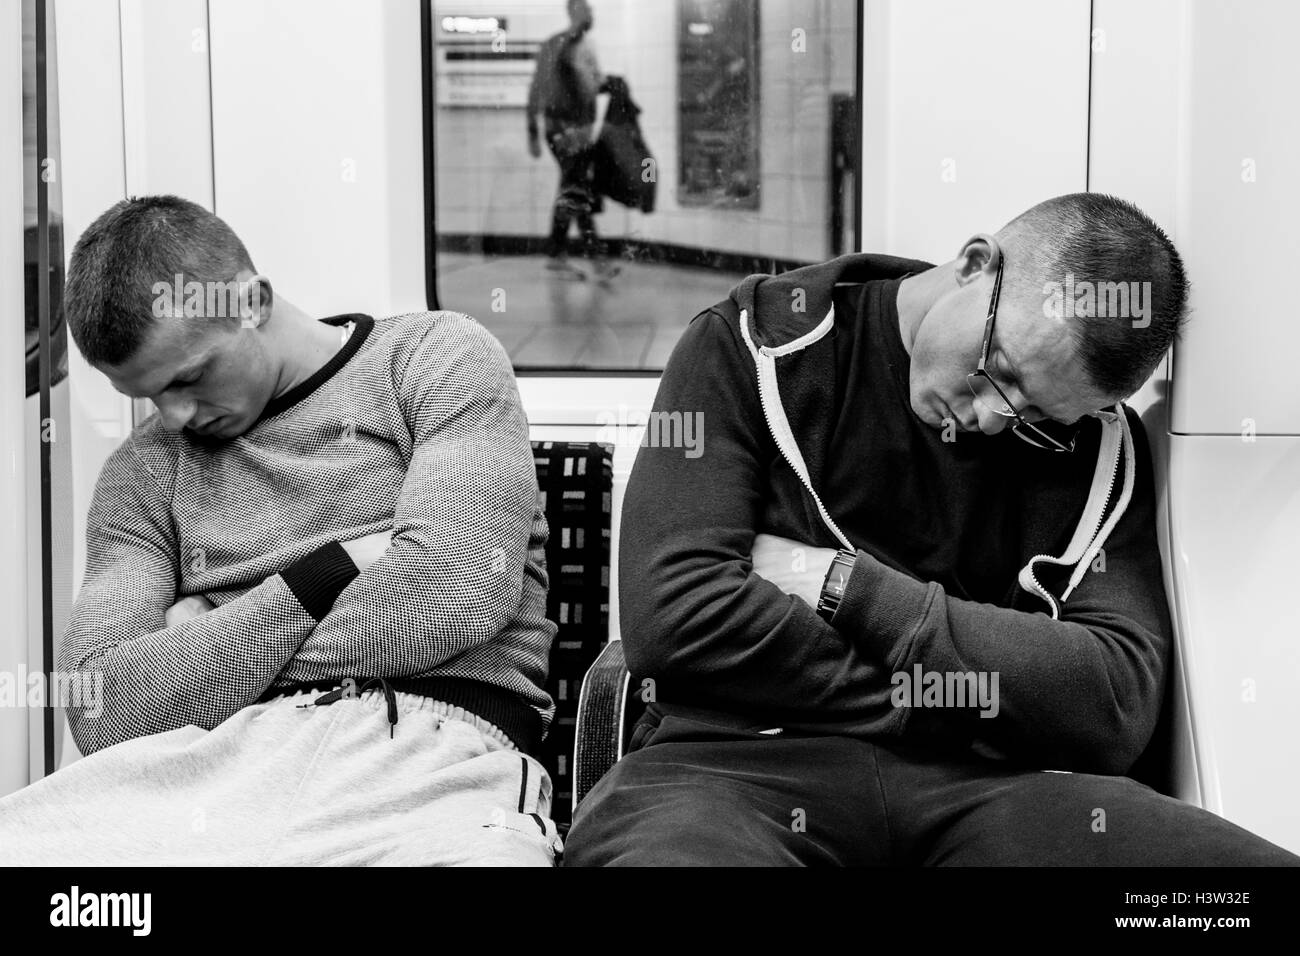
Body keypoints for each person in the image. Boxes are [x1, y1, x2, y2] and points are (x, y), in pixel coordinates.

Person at [564, 192, 1300, 866]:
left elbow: (1113, 704)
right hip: (733, 770)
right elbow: (676, 618)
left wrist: (843, 587)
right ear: (977, 265)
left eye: (1040, 420)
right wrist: (975, 693)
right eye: (999, 372)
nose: (992, 419)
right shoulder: (748, 346)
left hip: (1003, 790)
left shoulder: (1103, 449)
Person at [0, 195, 563, 866]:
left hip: (425, 743)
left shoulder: (434, 359)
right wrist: (324, 575)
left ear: (253, 302)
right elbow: (102, 705)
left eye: (189, 377)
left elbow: (452, 592)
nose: (175, 416)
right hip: (203, 763)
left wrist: (205, 634)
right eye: (150, 397)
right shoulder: (143, 472)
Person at [526, 0, 618, 281]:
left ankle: (558, 254)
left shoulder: (584, 47)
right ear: (574, 13)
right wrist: (532, 130)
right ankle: (594, 258)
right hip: (562, 131)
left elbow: (592, 84)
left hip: (577, 131)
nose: (592, 16)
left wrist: (611, 84)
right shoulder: (556, 45)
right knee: (576, 188)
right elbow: (538, 87)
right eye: (587, 11)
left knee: (573, 188)